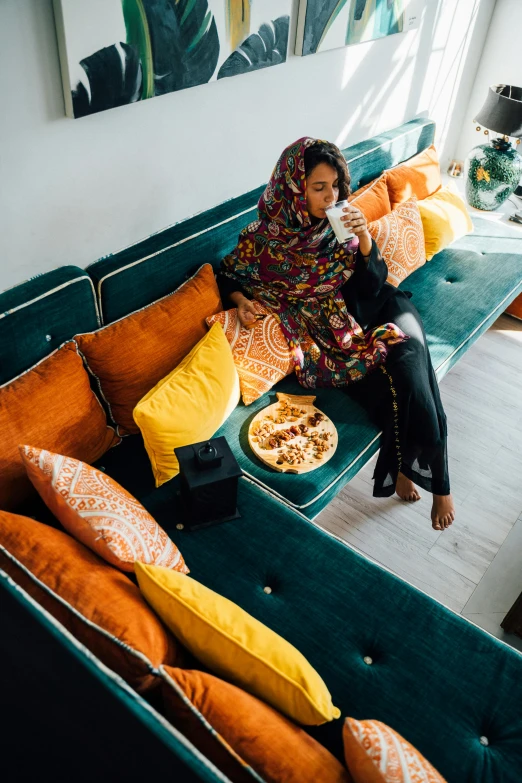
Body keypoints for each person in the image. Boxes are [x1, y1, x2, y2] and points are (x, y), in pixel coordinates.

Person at [217, 137, 455, 531]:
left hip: (379, 308)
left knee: (414, 375)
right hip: (330, 333)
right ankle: (400, 467)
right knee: (384, 394)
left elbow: (374, 285)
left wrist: (364, 243)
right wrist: (241, 300)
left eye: (336, 186)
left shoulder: (342, 224)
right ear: (293, 189)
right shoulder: (262, 239)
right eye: (318, 187)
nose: (332, 197)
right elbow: (228, 272)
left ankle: (441, 482)